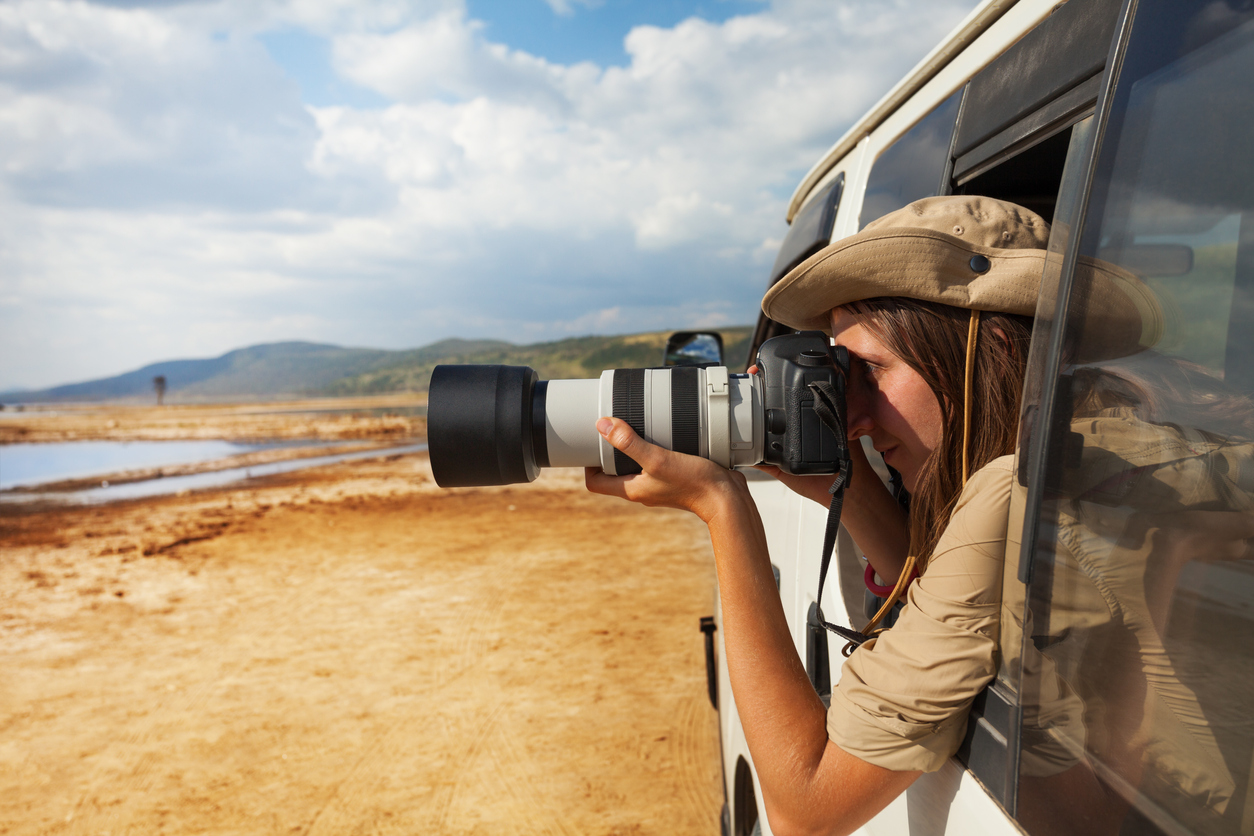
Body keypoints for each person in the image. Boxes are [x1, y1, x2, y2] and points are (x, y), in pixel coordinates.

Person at [586, 195, 1055, 835]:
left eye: (870, 371)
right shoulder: (1077, 460)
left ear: (989, 345)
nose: (854, 419)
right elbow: (955, 607)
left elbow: (804, 808)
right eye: (839, 379)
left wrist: (721, 506)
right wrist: (853, 490)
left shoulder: (1010, 490)